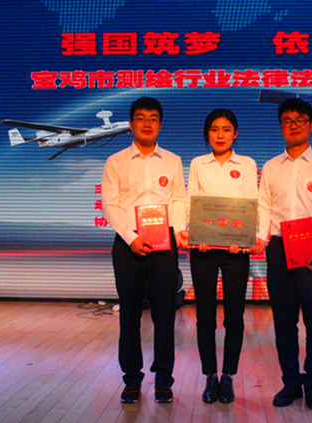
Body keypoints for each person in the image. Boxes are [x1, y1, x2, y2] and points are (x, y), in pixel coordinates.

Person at [101, 96, 188, 404]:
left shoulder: (173, 161)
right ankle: (132, 379)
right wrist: (131, 237)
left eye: (153, 118)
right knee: (130, 315)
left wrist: (179, 231)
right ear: (131, 124)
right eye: (141, 117)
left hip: (164, 245)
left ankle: (163, 379)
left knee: (165, 315)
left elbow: (178, 199)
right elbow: (110, 205)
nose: (147, 123)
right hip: (129, 246)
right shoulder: (115, 162)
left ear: (160, 125)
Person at [258, 98, 312, 410]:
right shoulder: (270, 167)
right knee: (284, 321)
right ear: (281, 127)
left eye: (299, 120)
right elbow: (264, 208)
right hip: (279, 247)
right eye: (287, 121)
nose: (293, 125)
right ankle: (291, 382)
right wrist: (260, 238)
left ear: (311, 125)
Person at [182, 109, 265, 404]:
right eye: (215, 129)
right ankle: (210, 376)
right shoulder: (197, 164)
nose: (220, 135)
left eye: (226, 129)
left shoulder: (247, 164)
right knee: (205, 317)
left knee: (234, 317)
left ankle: (228, 376)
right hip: (203, 251)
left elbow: (252, 204)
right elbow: (191, 203)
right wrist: (196, 235)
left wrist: (244, 239)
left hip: (235, 252)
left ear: (235, 133)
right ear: (207, 134)